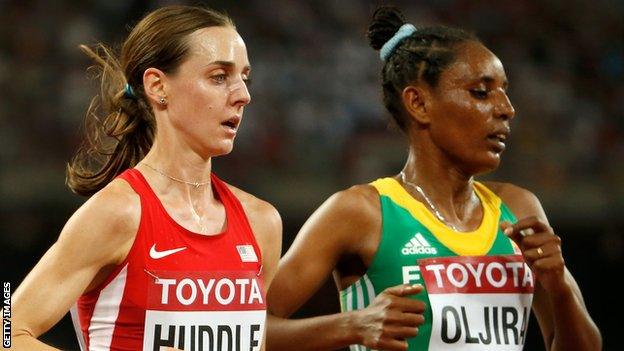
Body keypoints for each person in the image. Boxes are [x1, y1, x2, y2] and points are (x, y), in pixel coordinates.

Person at [266, 6, 601, 351]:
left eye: (504, 91)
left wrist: (558, 286)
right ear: (419, 103)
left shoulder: (519, 208)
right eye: (481, 92)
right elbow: (249, 326)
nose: (507, 108)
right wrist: (351, 325)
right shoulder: (361, 212)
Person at [11, 5, 281, 351]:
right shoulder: (118, 213)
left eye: (244, 77)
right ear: (157, 86)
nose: (243, 95)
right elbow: (7, 328)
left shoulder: (262, 222)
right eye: (218, 77)